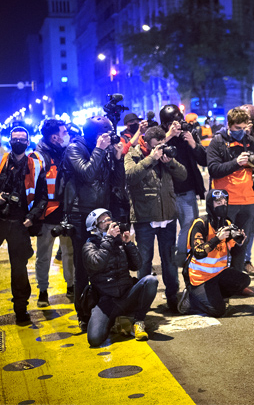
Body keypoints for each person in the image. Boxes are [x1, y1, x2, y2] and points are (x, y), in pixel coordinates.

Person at [63, 116, 126, 330]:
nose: (108, 136)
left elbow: (117, 182)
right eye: (104, 133)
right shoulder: (74, 148)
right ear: (94, 134)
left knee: (106, 263)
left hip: (102, 214)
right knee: (83, 267)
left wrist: (118, 159)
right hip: (81, 215)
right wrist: (100, 149)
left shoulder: (106, 150)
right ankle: (83, 314)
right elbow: (87, 175)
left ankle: (104, 308)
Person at [125, 125, 187, 312]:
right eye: (156, 146)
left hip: (167, 217)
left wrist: (170, 162)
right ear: (146, 143)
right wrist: (151, 159)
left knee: (169, 260)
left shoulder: (166, 156)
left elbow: (183, 175)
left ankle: (172, 297)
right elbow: (130, 176)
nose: (160, 149)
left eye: (162, 145)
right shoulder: (134, 154)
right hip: (145, 217)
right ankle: (141, 302)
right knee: (144, 261)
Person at [83, 208, 158, 346]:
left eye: (109, 219)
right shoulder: (89, 246)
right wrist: (109, 239)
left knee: (151, 280)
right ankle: (115, 320)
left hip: (127, 295)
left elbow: (137, 265)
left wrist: (128, 244)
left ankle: (138, 321)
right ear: (95, 227)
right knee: (94, 339)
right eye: (103, 221)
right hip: (107, 301)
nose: (109, 223)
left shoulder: (120, 243)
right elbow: (97, 264)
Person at [207, 108, 254, 273]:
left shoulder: (250, 141)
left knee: (241, 243)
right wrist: (236, 162)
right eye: (237, 128)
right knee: (222, 245)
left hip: (247, 201)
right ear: (229, 125)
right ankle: (218, 283)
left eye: (243, 128)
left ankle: (237, 282)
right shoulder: (217, 142)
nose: (241, 132)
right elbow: (213, 169)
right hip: (225, 202)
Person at [0, 127, 48, 324]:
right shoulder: (2, 161)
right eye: (15, 139)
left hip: (20, 223)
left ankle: (21, 309)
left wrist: (32, 217)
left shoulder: (36, 165)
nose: (18, 141)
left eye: (22, 139)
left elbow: (43, 197)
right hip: (0, 219)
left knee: (19, 269)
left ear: (27, 143)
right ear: (10, 141)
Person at [184, 189, 253, 317]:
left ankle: (213, 295)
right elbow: (198, 252)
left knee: (244, 280)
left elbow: (231, 248)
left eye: (224, 202)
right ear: (211, 204)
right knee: (218, 311)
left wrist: (239, 241)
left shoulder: (226, 222)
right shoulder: (200, 224)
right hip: (200, 278)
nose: (223, 204)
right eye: (218, 202)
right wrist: (217, 239)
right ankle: (191, 297)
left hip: (218, 274)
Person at [29, 119, 73, 307]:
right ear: (54, 137)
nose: (66, 135)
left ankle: (71, 287)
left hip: (66, 212)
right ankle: (43, 291)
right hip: (47, 214)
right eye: (64, 132)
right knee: (44, 254)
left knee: (69, 252)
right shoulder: (37, 157)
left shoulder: (67, 153)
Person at [159, 104, 208, 269]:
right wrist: (168, 136)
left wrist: (193, 144)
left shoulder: (188, 134)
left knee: (189, 228)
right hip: (167, 194)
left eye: (178, 120)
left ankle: (183, 262)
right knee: (168, 235)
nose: (176, 124)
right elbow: (151, 153)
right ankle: (173, 269)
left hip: (187, 191)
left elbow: (204, 161)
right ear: (165, 124)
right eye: (171, 122)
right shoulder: (160, 135)